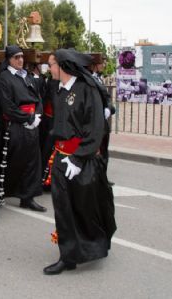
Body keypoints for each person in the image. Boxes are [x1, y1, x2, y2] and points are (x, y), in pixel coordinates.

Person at [43, 49, 116, 275]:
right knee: (63, 208)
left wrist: (77, 157)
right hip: (61, 157)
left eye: (51, 65)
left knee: (85, 207)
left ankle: (93, 244)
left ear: (62, 66)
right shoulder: (59, 90)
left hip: (80, 159)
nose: (49, 69)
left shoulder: (87, 89)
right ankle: (69, 256)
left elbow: (95, 128)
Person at [0, 45, 45, 212]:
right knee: (13, 161)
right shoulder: (4, 78)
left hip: (32, 124)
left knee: (32, 162)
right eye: (16, 57)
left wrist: (36, 116)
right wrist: (28, 118)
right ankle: (2, 192)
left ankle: (27, 197)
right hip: (15, 126)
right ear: (9, 59)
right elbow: (7, 106)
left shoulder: (28, 76)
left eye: (22, 57)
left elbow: (38, 98)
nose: (20, 60)